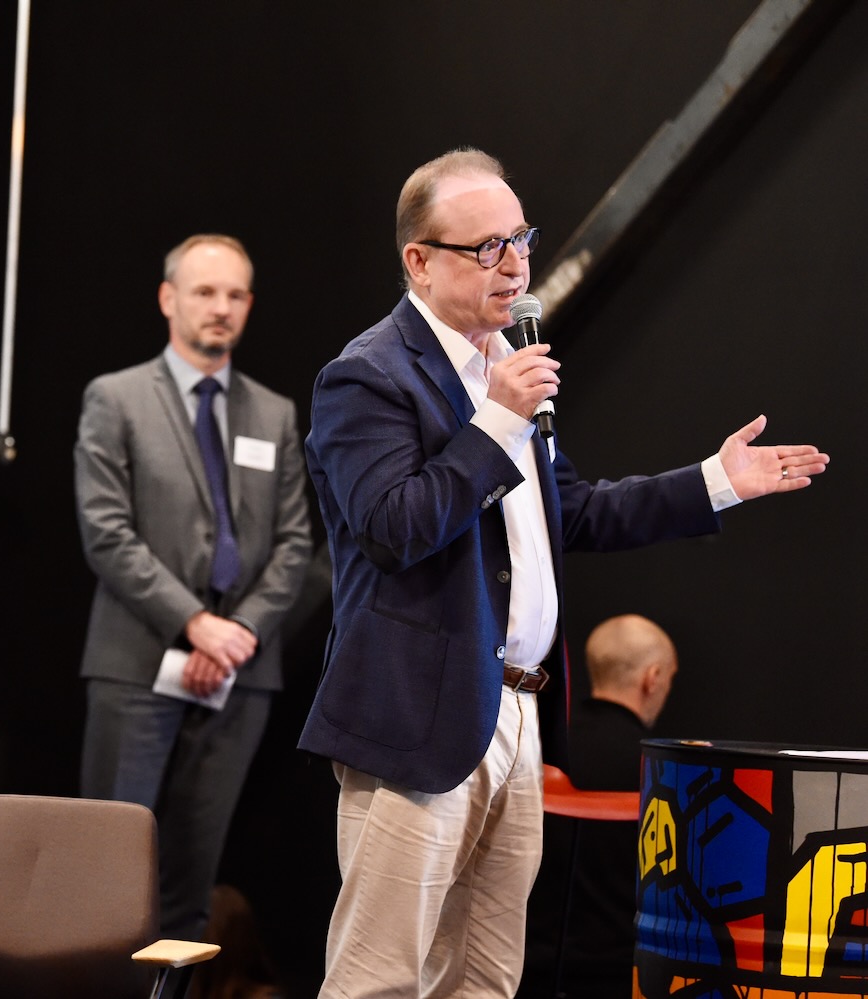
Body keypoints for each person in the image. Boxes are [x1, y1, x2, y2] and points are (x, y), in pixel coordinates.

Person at [298, 147, 830, 998]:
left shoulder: (503, 366)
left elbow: (571, 513)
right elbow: (395, 528)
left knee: (486, 975)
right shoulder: (369, 375)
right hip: (418, 718)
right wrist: (496, 420)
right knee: (381, 977)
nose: (515, 265)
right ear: (419, 261)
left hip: (516, 712)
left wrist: (716, 481)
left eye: (522, 238)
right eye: (488, 247)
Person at [74, 233, 313, 939]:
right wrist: (195, 623)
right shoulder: (116, 398)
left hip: (241, 673)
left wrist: (238, 633)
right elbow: (106, 532)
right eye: (205, 291)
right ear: (167, 298)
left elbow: (296, 543)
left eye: (236, 294)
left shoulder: (274, 412)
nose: (221, 307)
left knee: (191, 884)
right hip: (137, 664)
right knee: (105, 872)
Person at [518, 614, 678, 999]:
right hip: (623, 979)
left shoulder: (534, 749)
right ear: (653, 677)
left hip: (522, 973)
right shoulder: (664, 773)